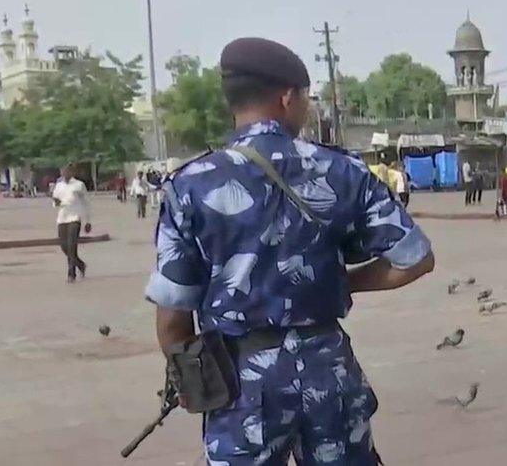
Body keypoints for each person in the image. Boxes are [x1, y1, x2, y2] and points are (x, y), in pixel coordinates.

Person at [144, 37, 434, 465]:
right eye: (307, 98)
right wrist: (343, 281)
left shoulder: (191, 185)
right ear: (287, 97)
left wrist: (195, 379)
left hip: (240, 382)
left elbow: (172, 317)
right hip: (328, 372)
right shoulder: (342, 170)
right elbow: (415, 259)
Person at [52, 163, 92, 284]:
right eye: (62, 171)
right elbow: (55, 202)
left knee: (71, 245)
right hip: (62, 218)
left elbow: (86, 203)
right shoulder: (58, 186)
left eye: (67, 171)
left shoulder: (79, 185)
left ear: (72, 172)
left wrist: (88, 221)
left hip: (75, 218)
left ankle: (71, 273)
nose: (64, 174)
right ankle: (80, 264)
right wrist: (56, 202)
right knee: (64, 246)